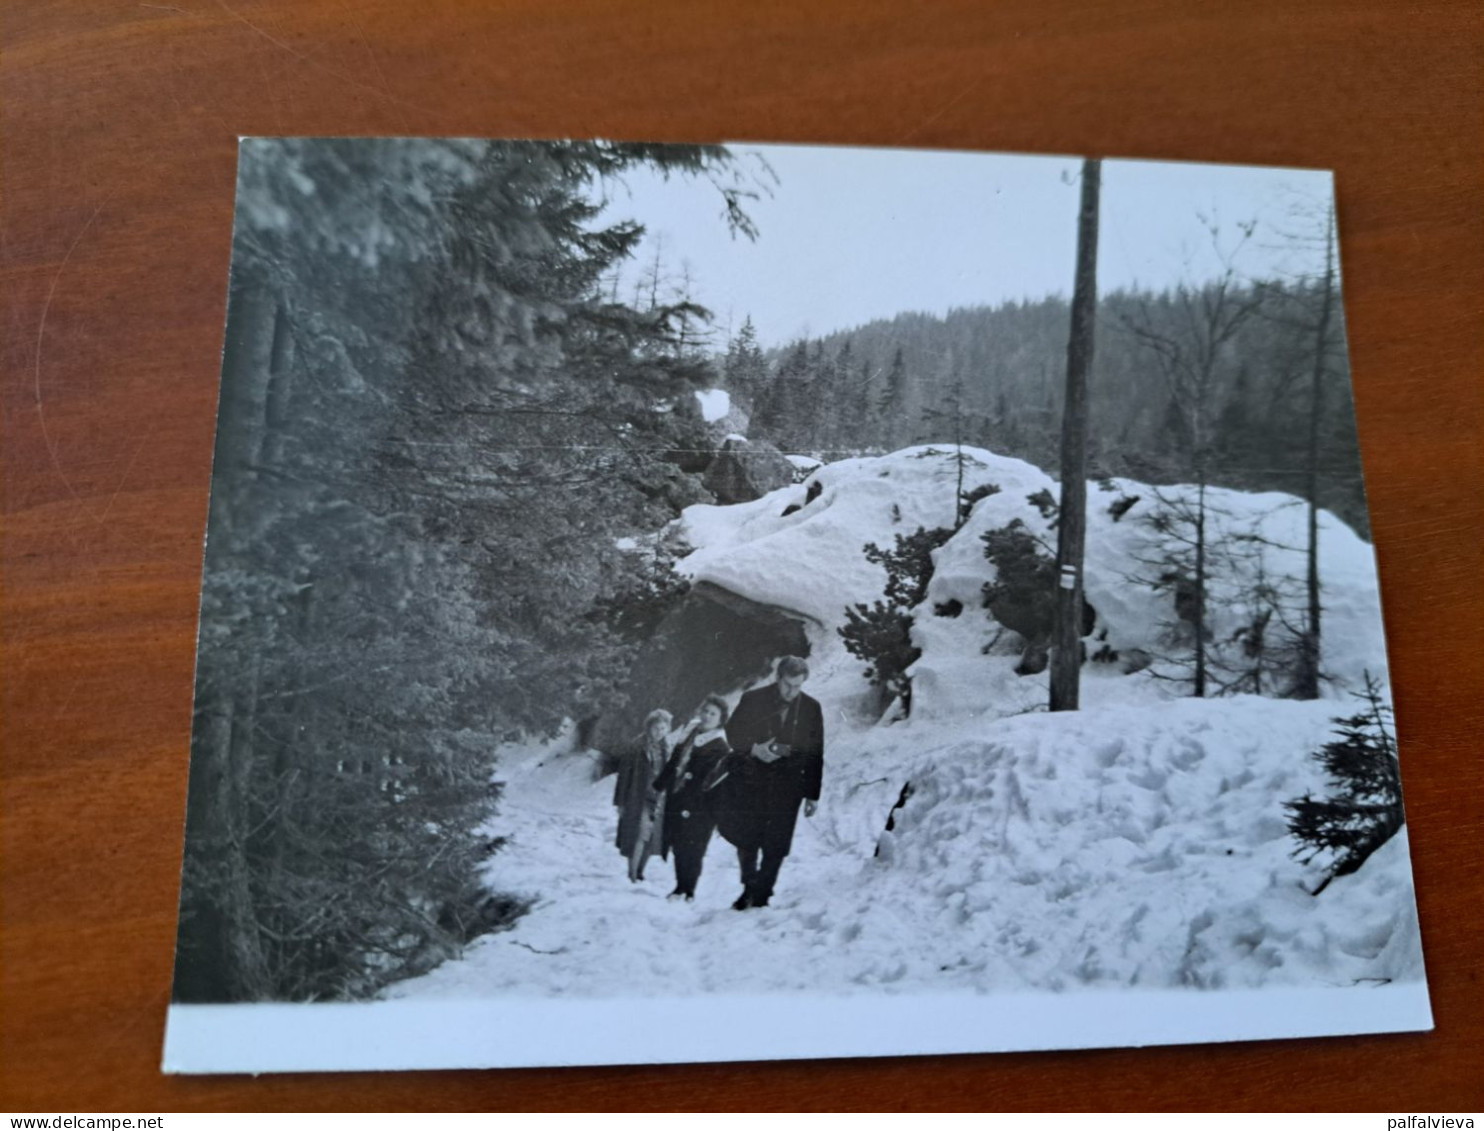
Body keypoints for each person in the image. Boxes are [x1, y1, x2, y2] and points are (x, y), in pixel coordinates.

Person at [715, 656, 824, 910]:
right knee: (748, 839)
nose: (792, 692)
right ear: (778, 678)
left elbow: (816, 752)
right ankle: (749, 886)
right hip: (752, 781)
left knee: (777, 843)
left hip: (788, 787)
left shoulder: (811, 708)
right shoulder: (753, 699)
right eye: (788, 685)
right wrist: (753, 749)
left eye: (798, 686)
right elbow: (733, 732)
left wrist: (812, 793)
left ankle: (763, 893)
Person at [653, 695, 732, 902]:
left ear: (721, 719)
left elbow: (720, 786)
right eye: (705, 711)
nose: (707, 716)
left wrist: (717, 815)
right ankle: (679, 886)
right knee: (678, 845)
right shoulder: (689, 733)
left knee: (694, 848)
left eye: (713, 714)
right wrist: (658, 786)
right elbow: (674, 763)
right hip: (678, 799)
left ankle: (689, 891)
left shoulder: (721, 748)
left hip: (701, 808)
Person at [612, 708, 672, 883]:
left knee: (652, 837)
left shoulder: (666, 748)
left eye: (663, 729)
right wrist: (620, 803)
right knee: (640, 834)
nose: (659, 732)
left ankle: (640, 871)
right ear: (648, 728)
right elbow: (624, 776)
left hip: (659, 799)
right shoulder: (637, 747)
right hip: (638, 798)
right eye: (656, 728)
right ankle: (632, 873)